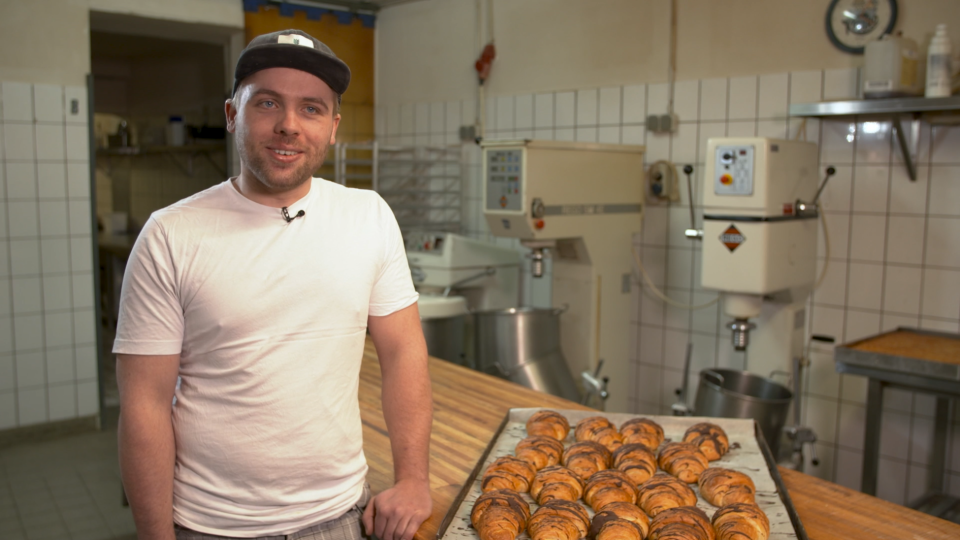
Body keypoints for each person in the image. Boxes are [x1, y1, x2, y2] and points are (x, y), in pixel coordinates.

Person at [114, 29, 433, 540]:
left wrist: (414, 478)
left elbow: (404, 353)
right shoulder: (172, 234)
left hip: (342, 518)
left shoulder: (368, 216)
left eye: (311, 108)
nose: (288, 125)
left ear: (333, 127)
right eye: (267, 103)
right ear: (232, 114)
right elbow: (144, 405)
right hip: (212, 526)